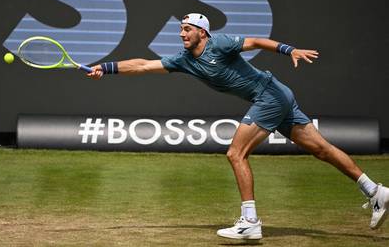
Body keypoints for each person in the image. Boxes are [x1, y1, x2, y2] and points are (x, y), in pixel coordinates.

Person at [87, 13, 389, 240]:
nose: (181, 34)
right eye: (180, 29)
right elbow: (141, 65)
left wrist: (289, 50)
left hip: (270, 95)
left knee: (235, 153)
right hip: (277, 96)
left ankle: (250, 222)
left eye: (187, 29)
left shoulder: (219, 44)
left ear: (202, 32)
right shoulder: (183, 60)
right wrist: (106, 68)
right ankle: (375, 191)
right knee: (322, 150)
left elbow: (256, 42)